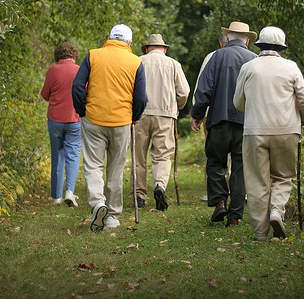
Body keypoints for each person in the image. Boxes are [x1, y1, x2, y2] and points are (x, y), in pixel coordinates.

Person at [233, 26, 304, 241]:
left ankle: (260, 233)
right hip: (286, 129)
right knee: (283, 176)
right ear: (281, 47)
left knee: (258, 180)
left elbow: (238, 102)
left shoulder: (248, 68)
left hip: (254, 131)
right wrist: (303, 116)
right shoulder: (291, 67)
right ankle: (277, 211)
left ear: (259, 44)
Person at [72, 24, 148, 231]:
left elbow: (77, 86)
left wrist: (83, 110)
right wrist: (134, 116)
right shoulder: (135, 62)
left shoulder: (93, 55)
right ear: (129, 43)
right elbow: (141, 97)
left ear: (109, 37)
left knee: (93, 165)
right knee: (115, 168)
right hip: (121, 121)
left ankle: (98, 203)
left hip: (94, 119)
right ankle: (113, 216)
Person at [191, 21, 257, 227]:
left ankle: (220, 202)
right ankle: (235, 215)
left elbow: (204, 91)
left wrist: (197, 114)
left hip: (218, 120)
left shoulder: (216, 57)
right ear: (247, 40)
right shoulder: (254, 59)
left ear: (227, 38)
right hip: (245, 123)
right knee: (240, 167)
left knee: (215, 163)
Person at [133, 34, 190, 210]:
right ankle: (159, 185)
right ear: (164, 49)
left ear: (147, 48)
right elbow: (184, 92)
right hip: (165, 115)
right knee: (162, 155)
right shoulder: (174, 64)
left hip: (140, 114)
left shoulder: (137, 62)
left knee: (138, 156)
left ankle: (139, 195)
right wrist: (176, 108)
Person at [40, 42, 82, 207]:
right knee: (72, 155)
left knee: (57, 155)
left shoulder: (53, 70)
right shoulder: (79, 70)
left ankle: (56, 196)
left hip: (55, 119)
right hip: (74, 119)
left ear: (58, 55)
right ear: (74, 55)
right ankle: (69, 192)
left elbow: (45, 95)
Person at [192, 33, 227, 202]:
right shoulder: (251, 57)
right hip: (242, 116)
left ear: (221, 43)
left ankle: (214, 192)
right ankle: (239, 193)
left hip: (213, 115)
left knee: (213, 155)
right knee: (240, 156)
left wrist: (198, 114)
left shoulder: (212, 57)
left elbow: (202, 85)